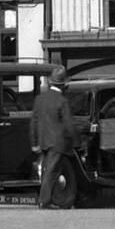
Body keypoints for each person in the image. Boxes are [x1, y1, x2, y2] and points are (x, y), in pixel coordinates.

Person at [30, 65, 77, 209]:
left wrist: (34, 143)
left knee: (48, 171)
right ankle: (44, 201)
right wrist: (76, 142)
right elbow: (69, 125)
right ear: (63, 85)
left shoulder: (40, 99)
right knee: (51, 172)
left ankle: (48, 199)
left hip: (44, 142)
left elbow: (34, 122)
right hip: (58, 143)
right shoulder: (62, 101)